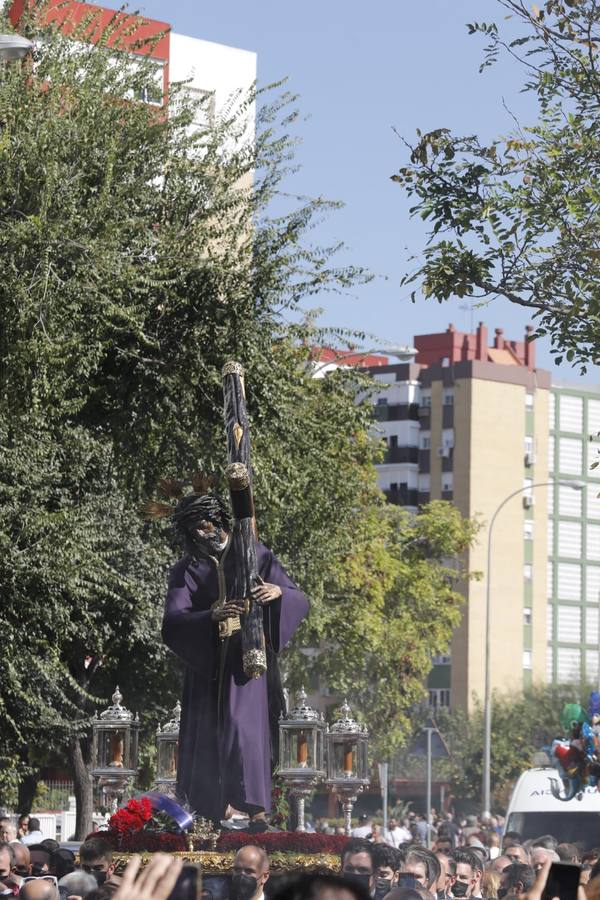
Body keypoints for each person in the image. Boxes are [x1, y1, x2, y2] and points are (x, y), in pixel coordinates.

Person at [161, 490, 309, 827]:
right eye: (193, 531)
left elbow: (300, 598)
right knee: (209, 736)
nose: (200, 536)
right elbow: (173, 621)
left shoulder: (255, 554)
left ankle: (257, 810)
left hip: (248, 665)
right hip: (208, 666)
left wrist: (278, 592)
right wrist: (210, 615)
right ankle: (208, 812)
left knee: (245, 731)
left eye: (203, 526)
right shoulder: (186, 569)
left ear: (217, 521)